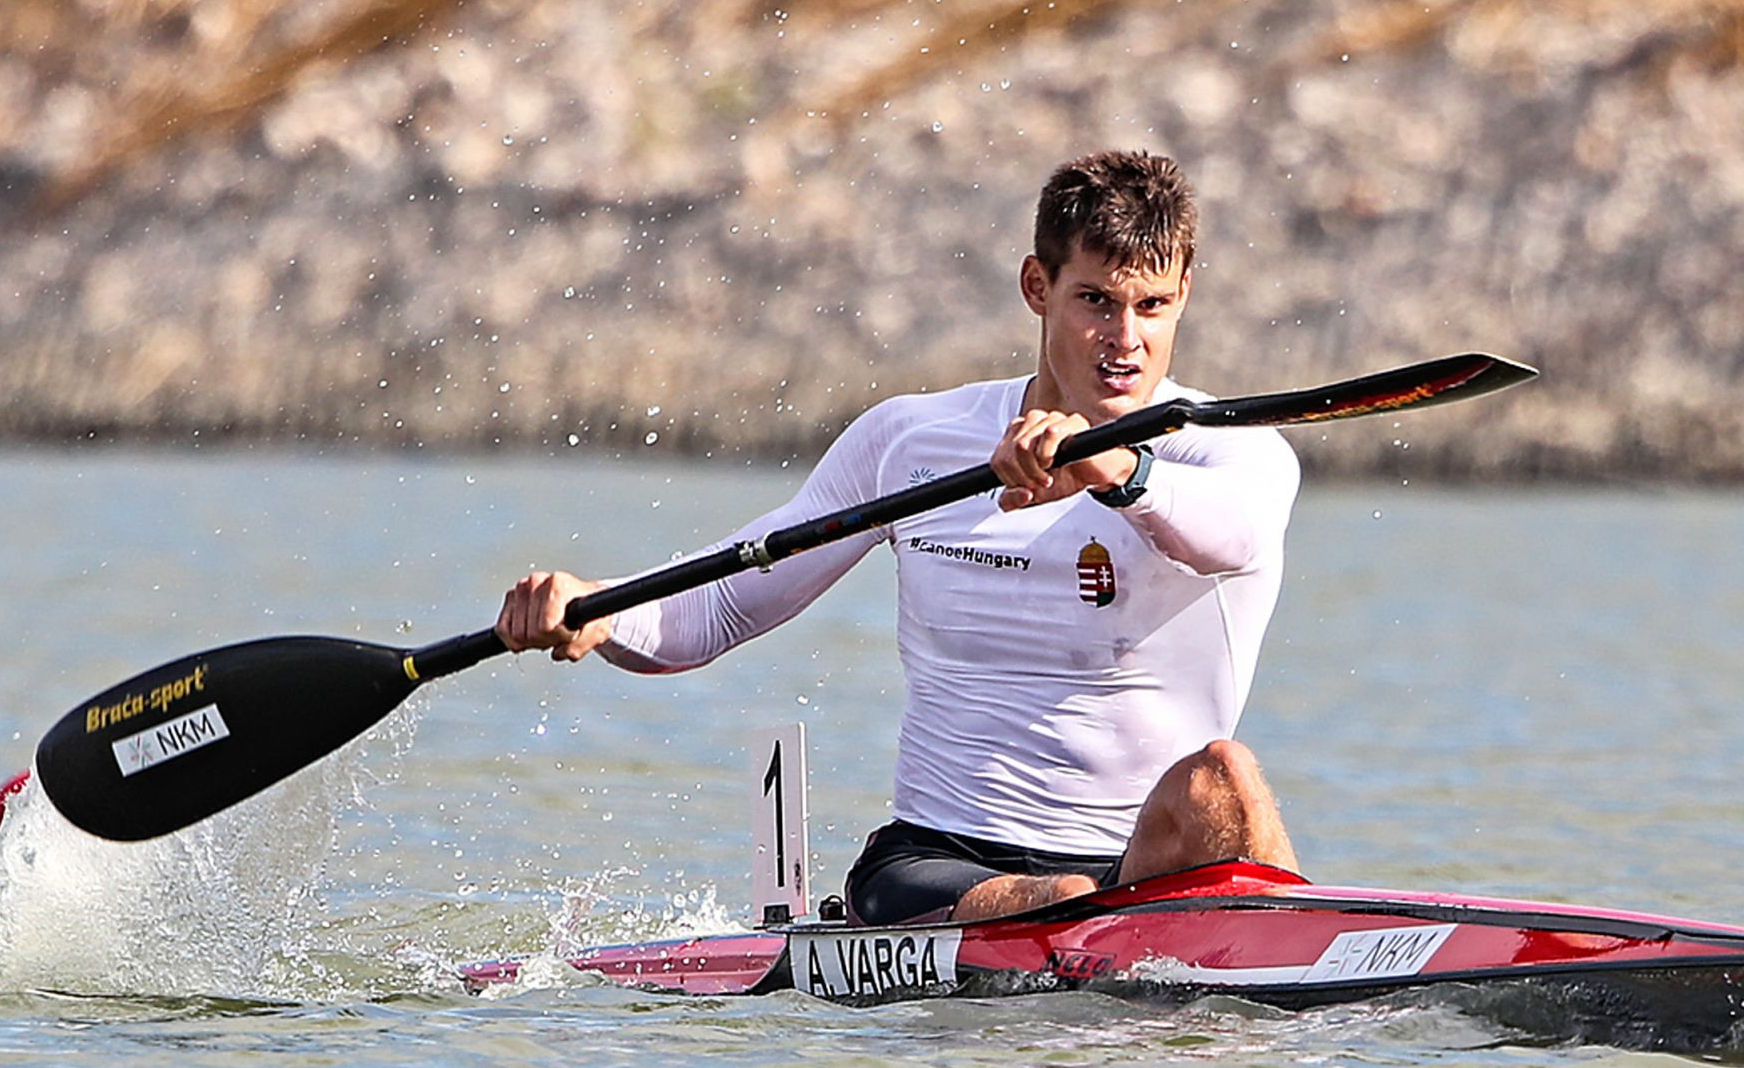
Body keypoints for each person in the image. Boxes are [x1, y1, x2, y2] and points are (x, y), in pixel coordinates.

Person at [495, 150, 1301, 925]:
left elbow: (1230, 537)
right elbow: (716, 613)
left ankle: (1300, 967)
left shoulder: (1233, 451)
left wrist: (1110, 468)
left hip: (1133, 871)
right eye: (1096, 301)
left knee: (1224, 780)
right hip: (936, 866)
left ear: (1185, 293)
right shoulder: (913, 442)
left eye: (1152, 305)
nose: (1125, 338)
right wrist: (597, 609)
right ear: (1037, 286)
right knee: (1054, 900)